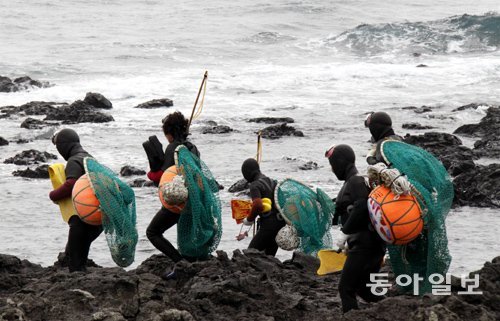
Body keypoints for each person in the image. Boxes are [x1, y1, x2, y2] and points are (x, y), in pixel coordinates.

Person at [325, 144, 386, 313]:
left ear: (340, 162)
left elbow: (361, 207)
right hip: (371, 245)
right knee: (364, 289)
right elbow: (347, 210)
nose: (332, 169)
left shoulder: (356, 181)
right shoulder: (354, 182)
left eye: (332, 164)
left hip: (364, 245)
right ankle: (395, 308)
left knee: (345, 289)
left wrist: (345, 233)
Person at [145, 111, 200, 279]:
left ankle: (180, 263)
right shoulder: (193, 148)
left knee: (153, 232)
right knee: (187, 236)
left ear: (169, 132)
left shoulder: (173, 148)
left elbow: (164, 176)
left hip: (177, 201)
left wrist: (153, 171)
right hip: (195, 200)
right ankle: (190, 263)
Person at [49, 128, 103, 272]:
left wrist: (53, 195)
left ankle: (77, 289)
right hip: (98, 216)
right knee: (76, 258)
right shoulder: (89, 158)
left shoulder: (74, 161)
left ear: (64, 146)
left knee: (75, 263)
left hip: (81, 219)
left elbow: (71, 184)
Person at [241, 158, 285, 256]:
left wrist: (249, 220)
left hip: (269, 225)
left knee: (250, 255)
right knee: (269, 256)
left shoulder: (255, 185)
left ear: (247, 173)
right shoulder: (273, 182)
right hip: (280, 223)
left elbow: (258, 205)